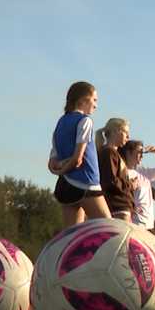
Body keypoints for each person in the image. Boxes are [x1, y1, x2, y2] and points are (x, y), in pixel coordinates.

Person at [48, 81, 110, 227]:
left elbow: (52, 163)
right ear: (83, 100)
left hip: (65, 185)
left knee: (73, 236)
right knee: (110, 230)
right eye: (94, 100)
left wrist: (61, 172)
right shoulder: (85, 121)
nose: (96, 105)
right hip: (86, 183)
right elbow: (78, 159)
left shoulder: (60, 123)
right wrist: (65, 169)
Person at [120, 140, 155, 231]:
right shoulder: (122, 172)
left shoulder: (142, 171)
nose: (142, 156)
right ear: (128, 152)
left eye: (142, 153)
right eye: (139, 152)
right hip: (134, 223)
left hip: (148, 224)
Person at [94, 117, 133, 220]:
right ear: (116, 131)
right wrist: (129, 184)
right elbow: (110, 181)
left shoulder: (112, 153)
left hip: (119, 206)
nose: (128, 137)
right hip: (117, 207)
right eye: (126, 132)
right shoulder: (109, 153)